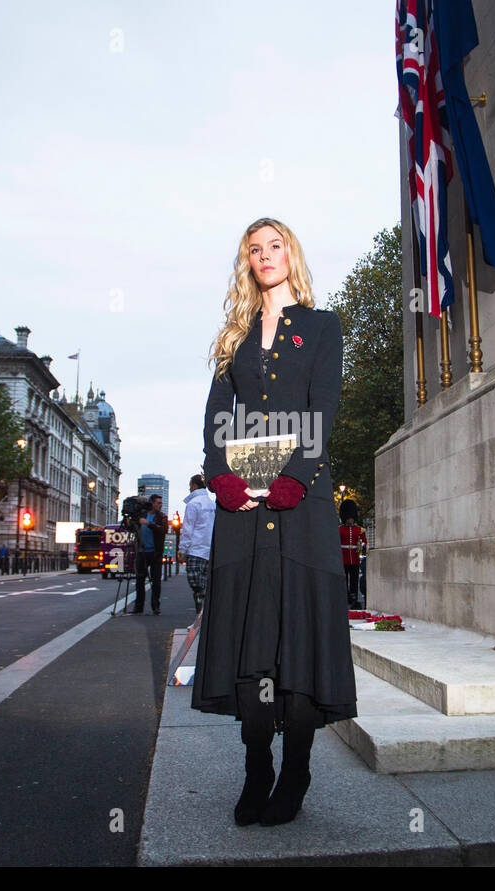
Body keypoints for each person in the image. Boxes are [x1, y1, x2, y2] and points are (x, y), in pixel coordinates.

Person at [192, 217, 357, 828]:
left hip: (301, 501)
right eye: (254, 250)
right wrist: (219, 477)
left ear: (292, 252)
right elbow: (215, 416)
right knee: (252, 637)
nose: (265, 256)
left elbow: (325, 403)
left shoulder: (321, 326)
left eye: (274, 245)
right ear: (247, 262)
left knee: (299, 637)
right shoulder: (233, 335)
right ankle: (256, 766)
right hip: (244, 506)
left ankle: (295, 771)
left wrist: (300, 475)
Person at [179, 473, 216, 613]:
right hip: (209, 550)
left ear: (193, 485)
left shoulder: (193, 504)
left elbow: (188, 529)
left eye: (190, 485)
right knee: (206, 587)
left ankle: (199, 618)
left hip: (195, 550)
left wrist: (183, 550)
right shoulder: (211, 504)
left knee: (197, 587)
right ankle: (204, 618)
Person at [131, 494, 167, 614]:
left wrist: (148, 524)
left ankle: (156, 606)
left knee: (156, 581)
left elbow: (163, 531)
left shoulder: (162, 517)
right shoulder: (142, 514)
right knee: (140, 580)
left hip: (155, 552)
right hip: (142, 551)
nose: (160, 505)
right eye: (157, 503)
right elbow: (131, 527)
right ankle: (138, 606)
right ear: (152, 503)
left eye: (161, 503)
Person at [338, 499, 367, 609]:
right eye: (348, 518)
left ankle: (354, 597)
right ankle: (344, 596)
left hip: (354, 558)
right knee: (344, 578)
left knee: (354, 579)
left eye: (351, 518)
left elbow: (364, 542)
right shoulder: (339, 530)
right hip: (343, 558)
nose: (350, 520)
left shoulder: (359, 530)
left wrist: (363, 545)